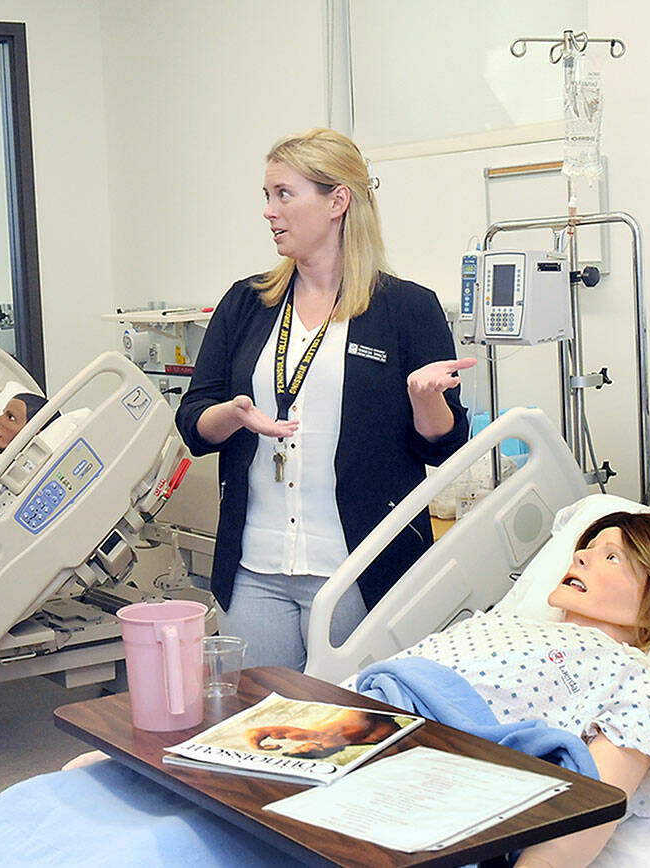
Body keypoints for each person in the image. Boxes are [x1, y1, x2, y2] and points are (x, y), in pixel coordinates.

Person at [175, 127, 473, 671]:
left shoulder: (407, 309)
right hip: (254, 567)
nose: (270, 211)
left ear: (338, 201)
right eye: (267, 196)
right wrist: (232, 416)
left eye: (284, 194)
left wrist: (426, 399)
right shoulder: (245, 303)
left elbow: (444, 447)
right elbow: (194, 420)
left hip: (359, 565)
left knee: (355, 728)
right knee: (258, 729)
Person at [363, 510, 650, 868]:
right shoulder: (498, 624)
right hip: (343, 724)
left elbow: (593, 803)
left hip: (421, 778)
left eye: (611, 556)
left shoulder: (638, 681)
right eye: (587, 547)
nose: (580, 556)